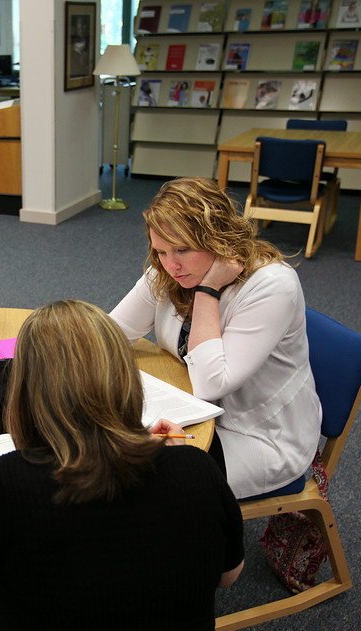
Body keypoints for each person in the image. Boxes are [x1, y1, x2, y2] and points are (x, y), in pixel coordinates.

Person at [0, 299, 247, 631]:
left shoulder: (11, 480)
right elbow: (228, 576)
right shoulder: (196, 467)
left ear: (25, 389)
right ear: (124, 377)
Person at [110, 177, 321, 499]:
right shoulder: (168, 269)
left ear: (218, 238)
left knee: (140, 487)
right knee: (101, 453)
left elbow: (211, 383)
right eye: (161, 251)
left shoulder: (272, 285)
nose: (172, 265)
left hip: (256, 435)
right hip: (190, 411)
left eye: (183, 249)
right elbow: (112, 333)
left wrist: (208, 292)